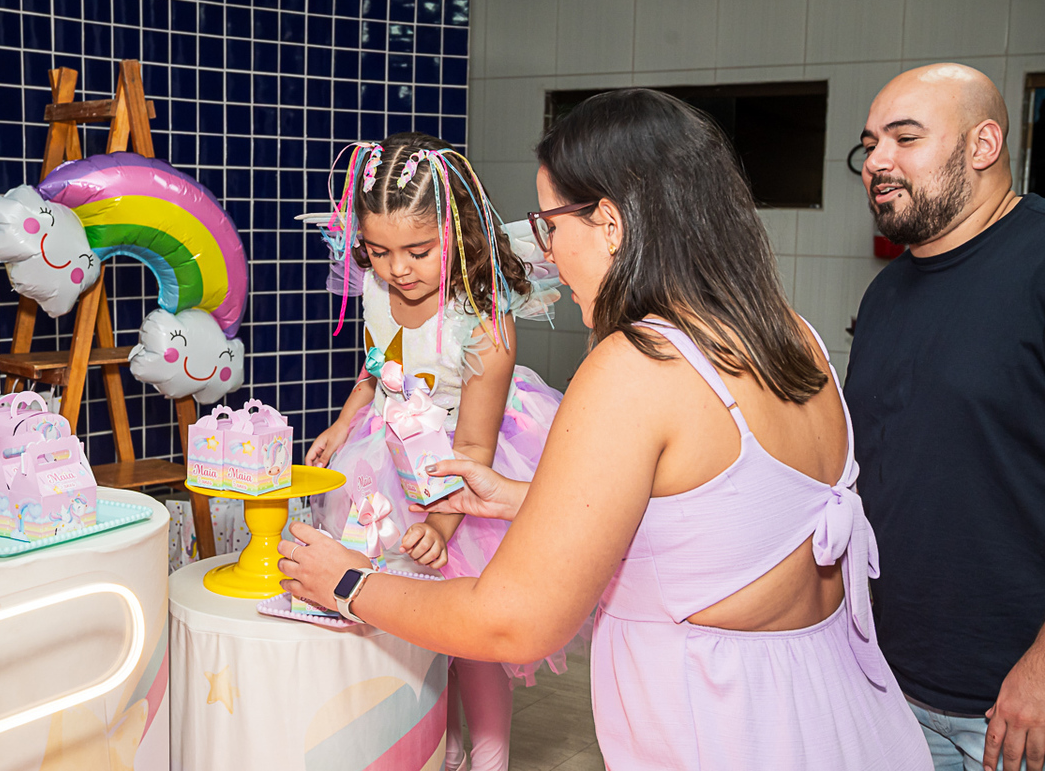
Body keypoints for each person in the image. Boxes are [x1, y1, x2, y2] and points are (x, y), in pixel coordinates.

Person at [281, 89, 933, 770]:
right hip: (847, 727)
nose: (548, 255)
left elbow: (513, 619)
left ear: (612, 224)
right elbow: (721, 520)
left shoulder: (636, 366)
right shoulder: (795, 337)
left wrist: (349, 581)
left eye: (552, 226)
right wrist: (511, 496)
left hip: (723, 737)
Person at [302, 131, 567, 771]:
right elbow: (375, 368)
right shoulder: (375, 287)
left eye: (419, 251)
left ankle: (489, 758)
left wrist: (442, 525)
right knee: (414, 628)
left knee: (469, 633)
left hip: (466, 472)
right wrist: (345, 423)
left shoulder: (483, 319)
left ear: (456, 233)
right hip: (387, 460)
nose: (398, 269)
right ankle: (436, 747)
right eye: (379, 251)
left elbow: (475, 445)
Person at [844, 63, 1045, 771]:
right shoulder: (886, 295)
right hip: (886, 687)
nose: (877, 162)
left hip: (1011, 711)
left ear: (983, 145)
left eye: (905, 138)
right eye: (869, 144)